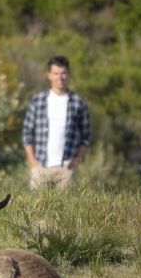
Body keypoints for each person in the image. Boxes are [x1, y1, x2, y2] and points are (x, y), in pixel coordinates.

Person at [22, 55, 91, 189]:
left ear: (68, 74)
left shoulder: (78, 103)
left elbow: (86, 136)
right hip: (40, 167)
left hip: (66, 169)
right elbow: (27, 133)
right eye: (56, 73)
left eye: (63, 73)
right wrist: (32, 160)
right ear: (49, 75)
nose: (60, 77)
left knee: (66, 208)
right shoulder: (38, 100)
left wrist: (78, 158)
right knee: (36, 208)